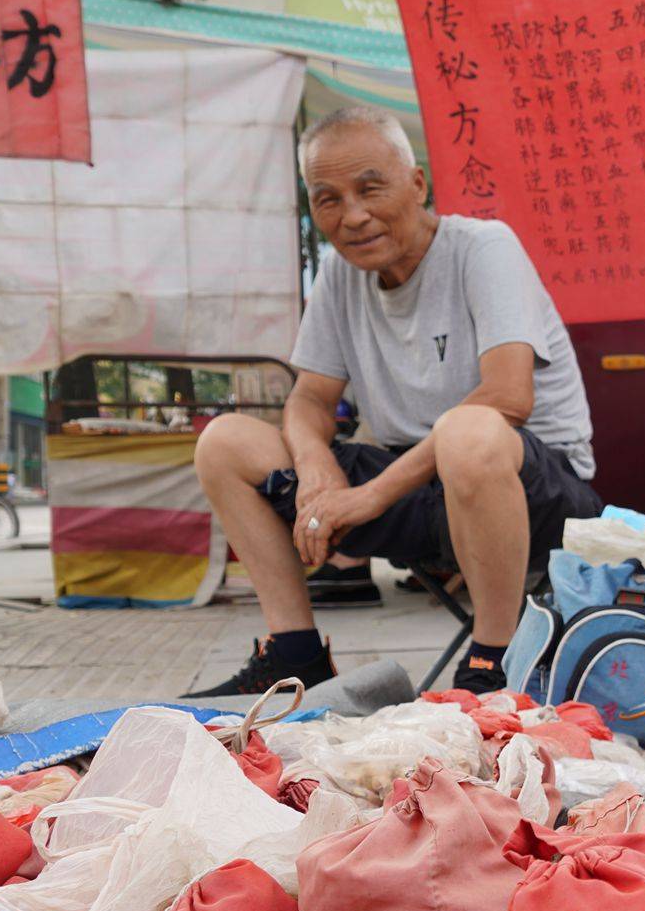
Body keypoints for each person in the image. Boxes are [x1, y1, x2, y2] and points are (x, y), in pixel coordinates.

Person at [191, 106, 600, 698]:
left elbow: (509, 397)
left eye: (370, 188)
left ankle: (494, 660)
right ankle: (294, 653)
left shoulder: (483, 247)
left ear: (417, 184)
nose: (352, 216)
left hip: (531, 488)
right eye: (327, 198)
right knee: (225, 442)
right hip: (416, 485)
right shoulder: (339, 273)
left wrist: (366, 497)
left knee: (470, 431)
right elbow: (309, 397)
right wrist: (318, 469)